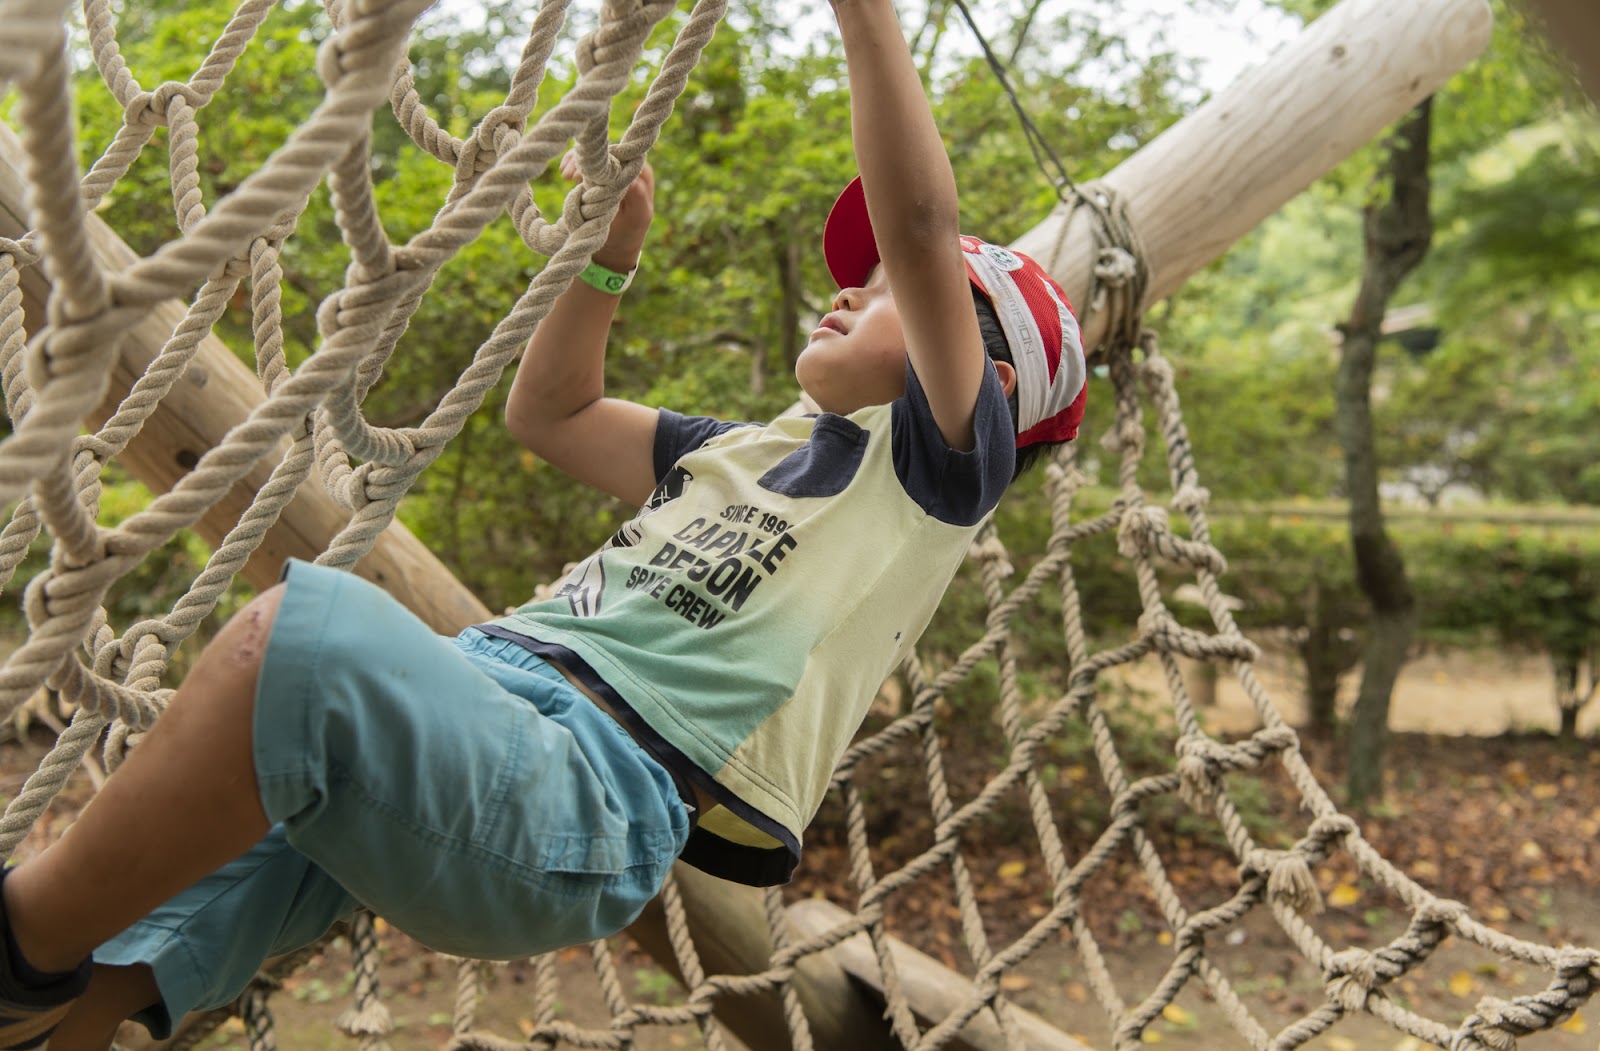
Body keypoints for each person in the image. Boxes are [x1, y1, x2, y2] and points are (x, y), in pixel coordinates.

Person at [0, 0, 1086, 1045]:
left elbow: (924, 222)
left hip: (588, 790)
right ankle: (62, 1006)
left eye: (890, 281)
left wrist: (864, 15)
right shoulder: (738, 450)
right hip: (478, 707)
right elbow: (551, 411)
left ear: (983, 375)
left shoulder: (931, 474)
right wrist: (609, 258)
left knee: (290, 642)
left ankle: (14, 946)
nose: (850, 286)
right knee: (173, 916)